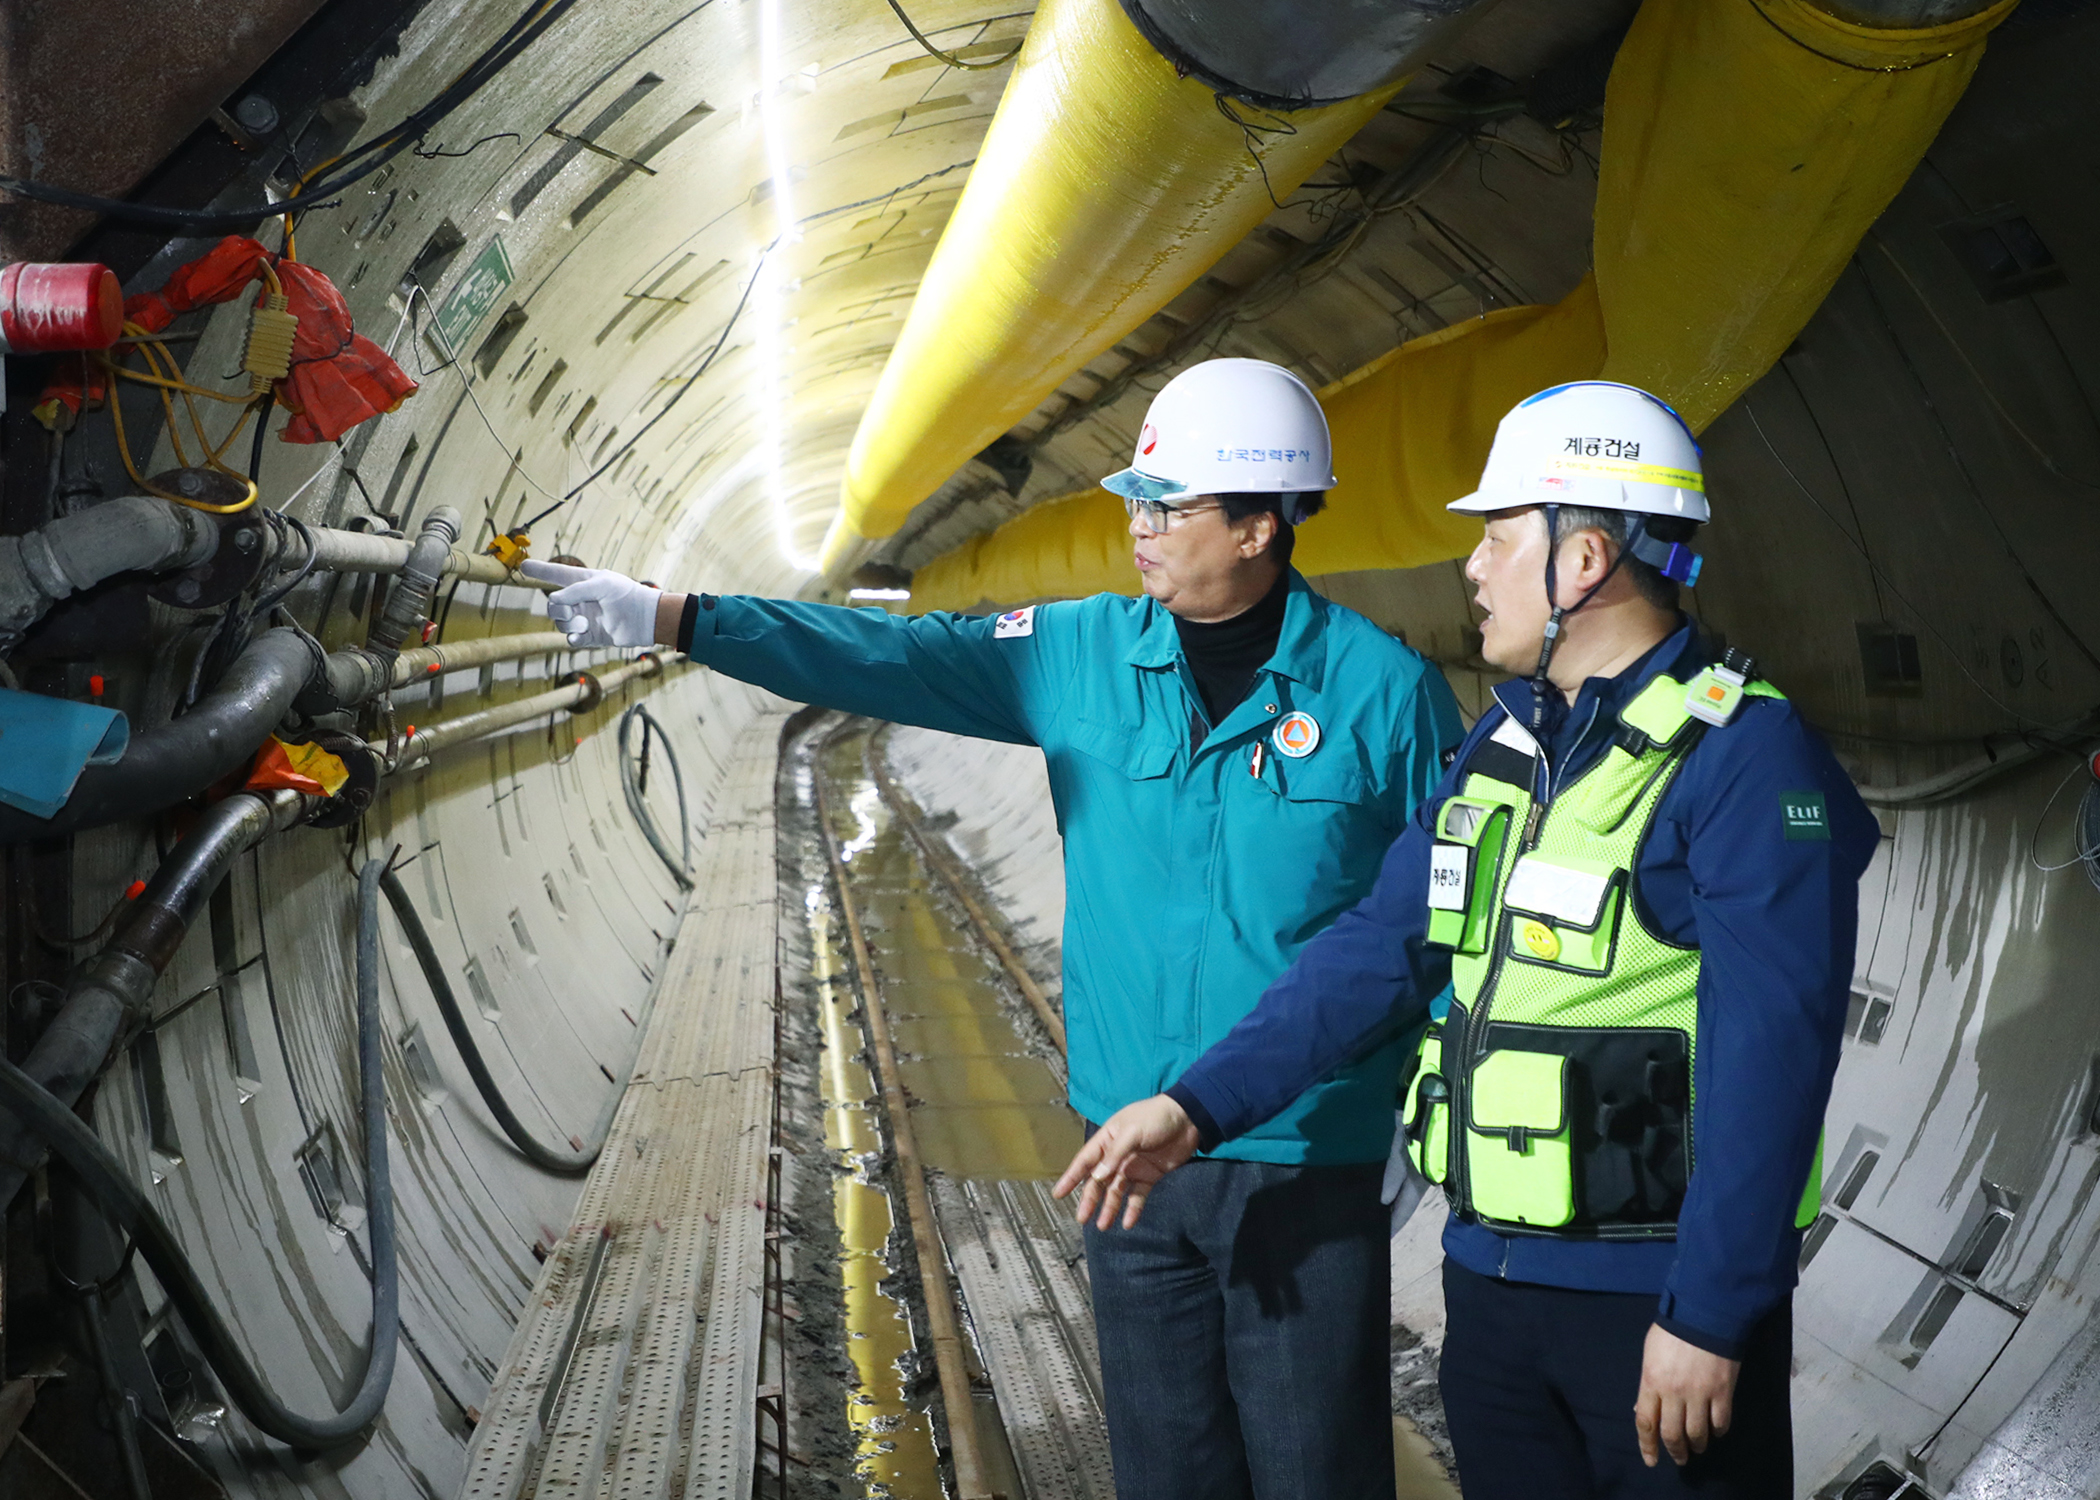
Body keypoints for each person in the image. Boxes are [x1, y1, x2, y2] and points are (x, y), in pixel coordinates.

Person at [523, 357, 1463, 1500]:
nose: (1138, 526)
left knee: (1318, 1472)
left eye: (1167, 506)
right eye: (1135, 501)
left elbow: (1435, 925)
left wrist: (1422, 1110)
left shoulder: (1384, 696)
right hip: (1126, 1157)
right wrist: (679, 617)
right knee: (1166, 1472)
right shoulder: (1080, 654)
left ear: (1261, 526)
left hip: (1302, 1158)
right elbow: (889, 657)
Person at [1056, 381, 1881, 1499]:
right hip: (1491, 1295)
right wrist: (1196, 1107)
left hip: (1650, 1306)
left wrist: (1711, 1315)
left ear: (1582, 559)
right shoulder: (1508, 745)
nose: (1474, 568)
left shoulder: (1743, 758)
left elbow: (1773, 1058)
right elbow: (1378, 951)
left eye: (1498, 537)